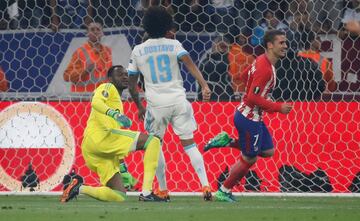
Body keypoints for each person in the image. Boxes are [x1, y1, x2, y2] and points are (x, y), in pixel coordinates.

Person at [127, 6, 212, 201]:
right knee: (190, 144)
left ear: (146, 26)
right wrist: (204, 85)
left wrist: (139, 106)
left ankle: (163, 190)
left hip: (156, 105)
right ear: (167, 25)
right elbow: (191, 65)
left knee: (155, 145)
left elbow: (132, 85)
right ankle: (205, 185)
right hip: (178, 101)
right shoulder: (174, 45)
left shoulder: (139, 50)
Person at [204, 30, 293, 202]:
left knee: (267, 151)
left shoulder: (260, 60)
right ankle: (224, 190)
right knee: (249, 157)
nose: (285, 46)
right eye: (281, 43)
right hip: (248, 119)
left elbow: (245, 77)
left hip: (254, 116)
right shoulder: (265, 68)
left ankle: (227, 141)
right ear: (270, 45)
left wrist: (258, 94)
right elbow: (252, 97)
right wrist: (277, 107)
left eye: (285, 42)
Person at [61, 65, 167, 203]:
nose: (125, 77)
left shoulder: (116, 99)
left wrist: (123, 170)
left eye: (126, 75)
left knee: (119, 195)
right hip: (101, 137)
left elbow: (116, 147)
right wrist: (115, 114)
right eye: (120, 75)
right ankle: (146, 193)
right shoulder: (107, 87)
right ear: (110, 79)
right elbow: (96, 102)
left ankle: (79, 188)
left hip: (94, 149)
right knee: (153, 141)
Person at [63, 22, 112, 93]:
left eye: (98, 29)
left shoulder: (107, 51)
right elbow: (66, 76)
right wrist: (85, 71)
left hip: (103, 96)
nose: (95, 32)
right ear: (87, 33)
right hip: (84, 96)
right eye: (92, 30)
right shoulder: (80, 52)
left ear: (102, 33)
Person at [198, 36, 234, 101]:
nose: (225, 49)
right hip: (212, 98)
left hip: (224, 98)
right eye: (222, 47)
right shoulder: (207, 62)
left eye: (226, 47)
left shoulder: (231, 60)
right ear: (214, 46)